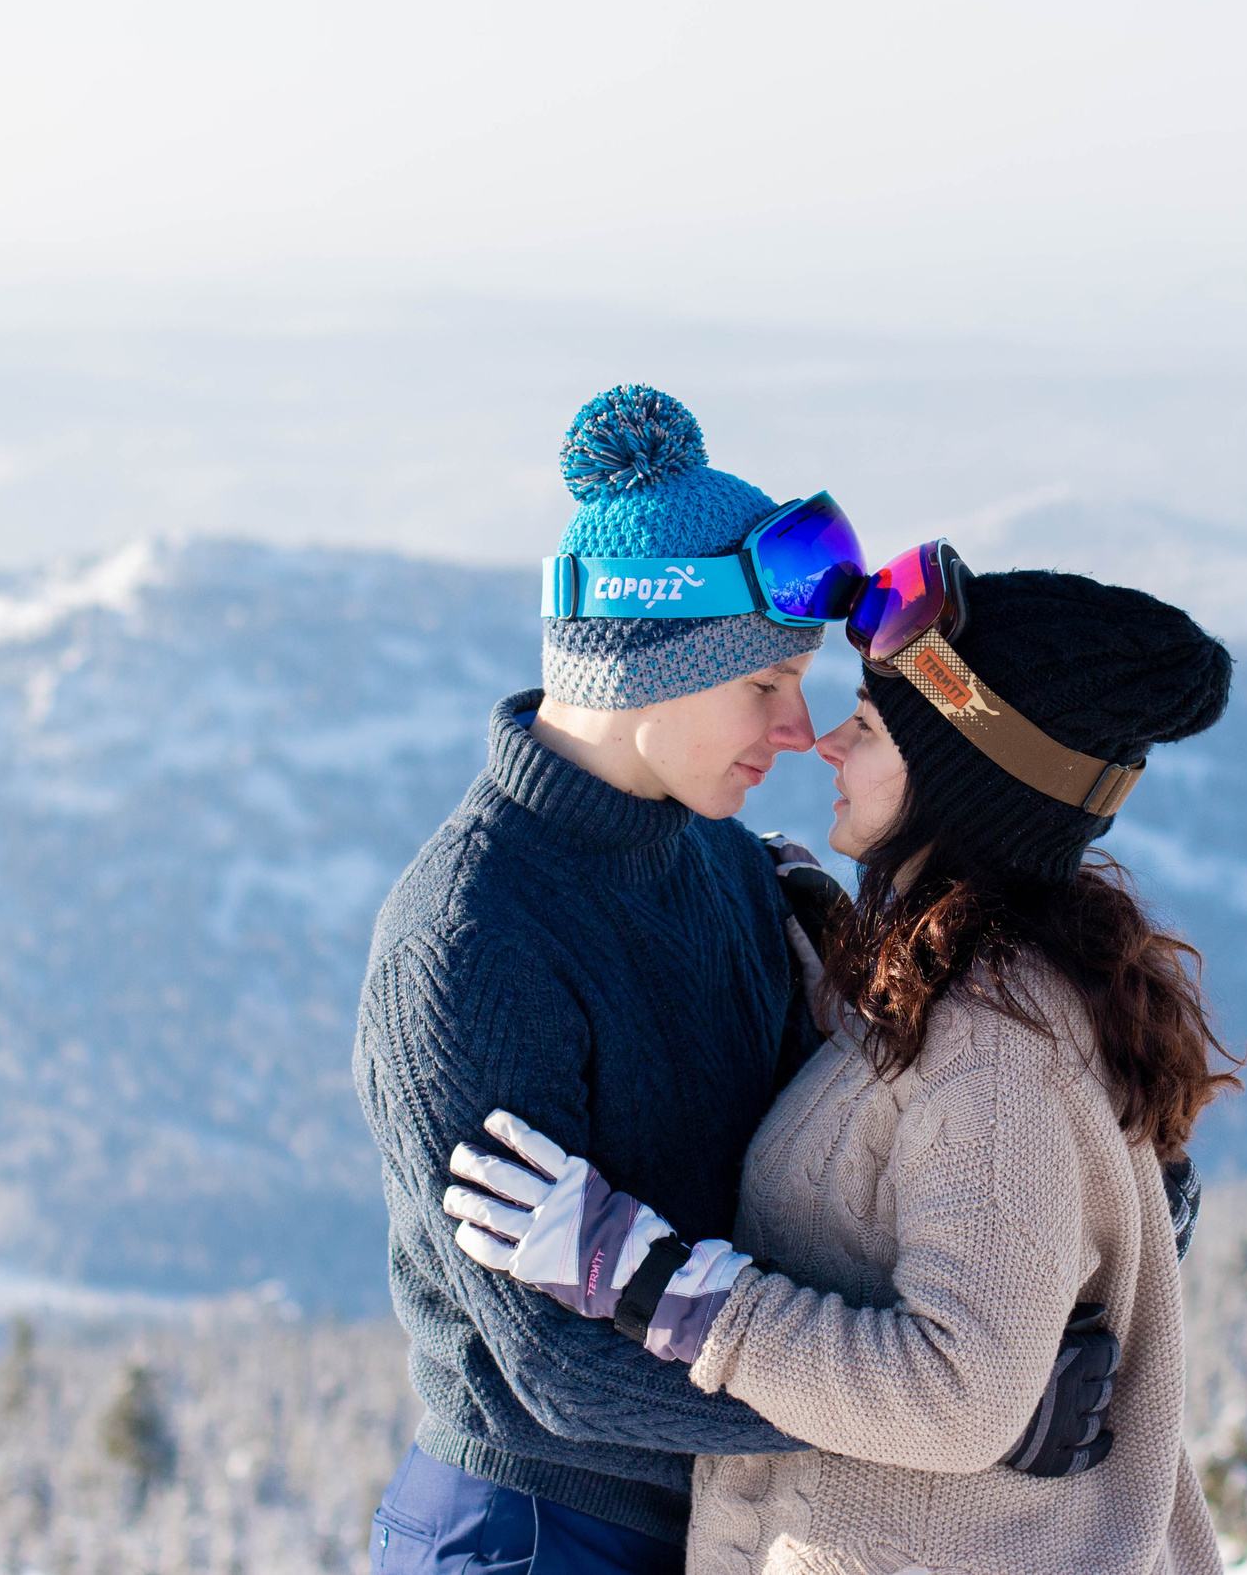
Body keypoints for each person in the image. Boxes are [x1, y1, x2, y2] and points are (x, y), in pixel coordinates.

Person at [353, 391, 1113, 1575]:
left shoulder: (714, 853)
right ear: (641, 670)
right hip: (538, 1532)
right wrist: (945, 1419)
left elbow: (846, 1133)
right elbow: (552, 1363)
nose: (798, 727)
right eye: (762, 687)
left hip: (724, 1513)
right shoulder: (467, 945)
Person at [445, 548, 1242, 1575]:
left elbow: (957, 1395)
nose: (820, 741)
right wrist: (844, 976)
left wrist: (653, 1281)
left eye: (864, 728)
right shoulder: (988, 992)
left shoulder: (998, 1043)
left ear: (961, 780)